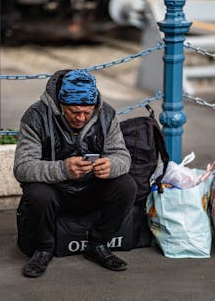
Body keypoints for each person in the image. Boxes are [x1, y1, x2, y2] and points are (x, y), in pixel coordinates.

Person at [13, 69, 137, 278]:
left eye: (87, 113)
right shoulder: (35, 116)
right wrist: (62, 169)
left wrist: (111, 165)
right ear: (61, 105)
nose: (81, 118)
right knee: (37, 193)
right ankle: (43, 249)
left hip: (91, 188)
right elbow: (22, 167)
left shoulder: (106, 114)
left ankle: (98, 244)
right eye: (74, 112)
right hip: (55, 191)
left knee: (126, 185)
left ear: (95, 106)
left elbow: (122, 157)